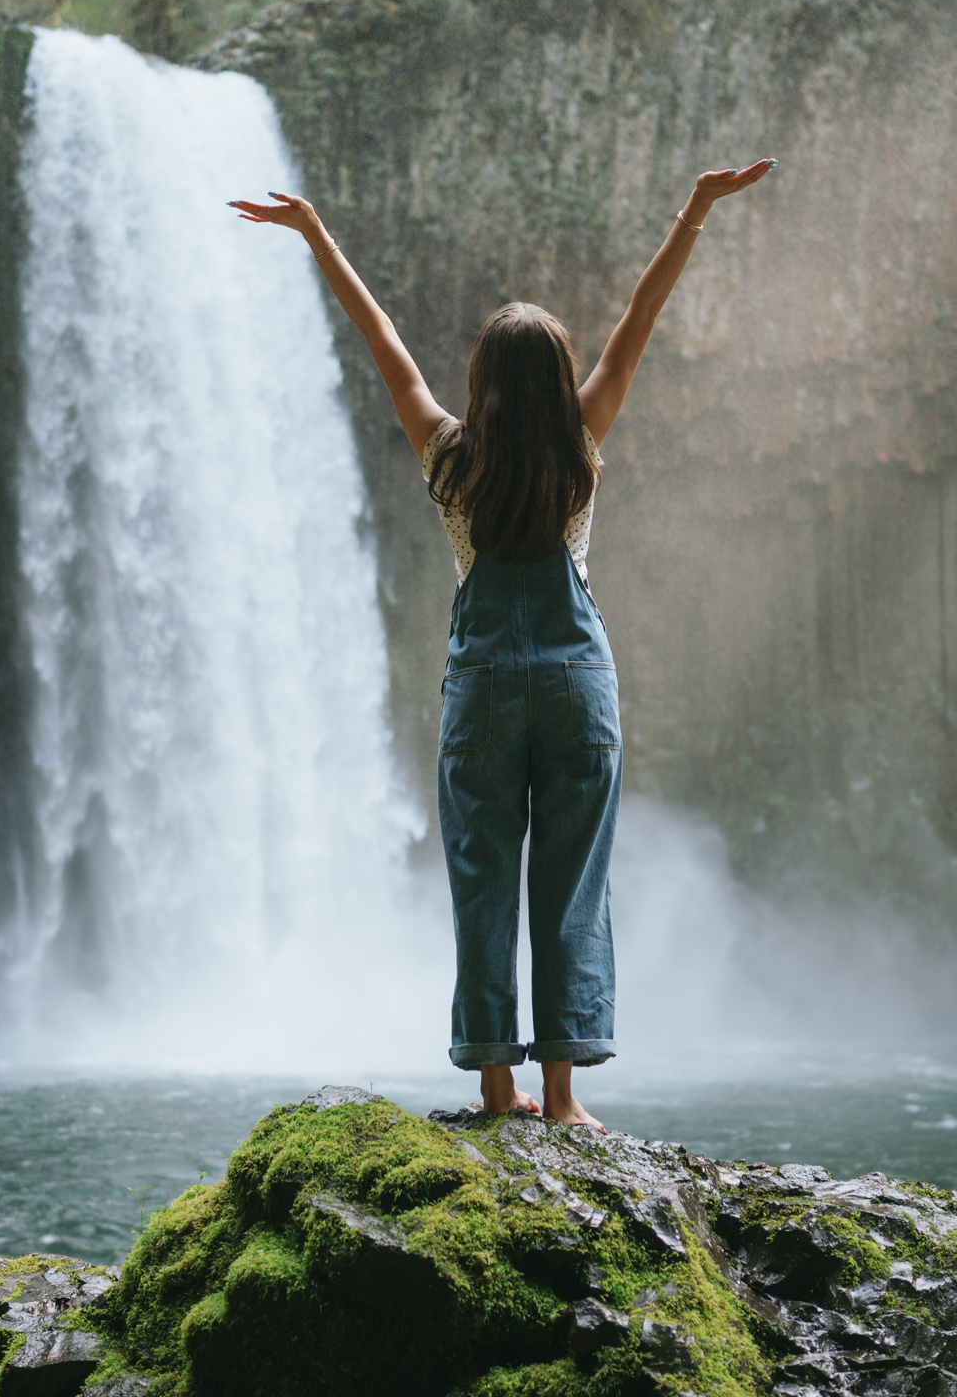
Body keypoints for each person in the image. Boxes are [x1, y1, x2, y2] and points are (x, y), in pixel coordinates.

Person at [230, 160, 775, 1129]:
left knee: (484, 880)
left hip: (481, 690)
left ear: (479, 385)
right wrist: (693, 208)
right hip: (576, 683)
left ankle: (496, 1089)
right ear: (562, 384)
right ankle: (563, 1101)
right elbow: (638, 322)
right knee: (571, 883)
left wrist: (316, 235)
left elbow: (383, 343)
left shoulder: (450, 459)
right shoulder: (583, 446)